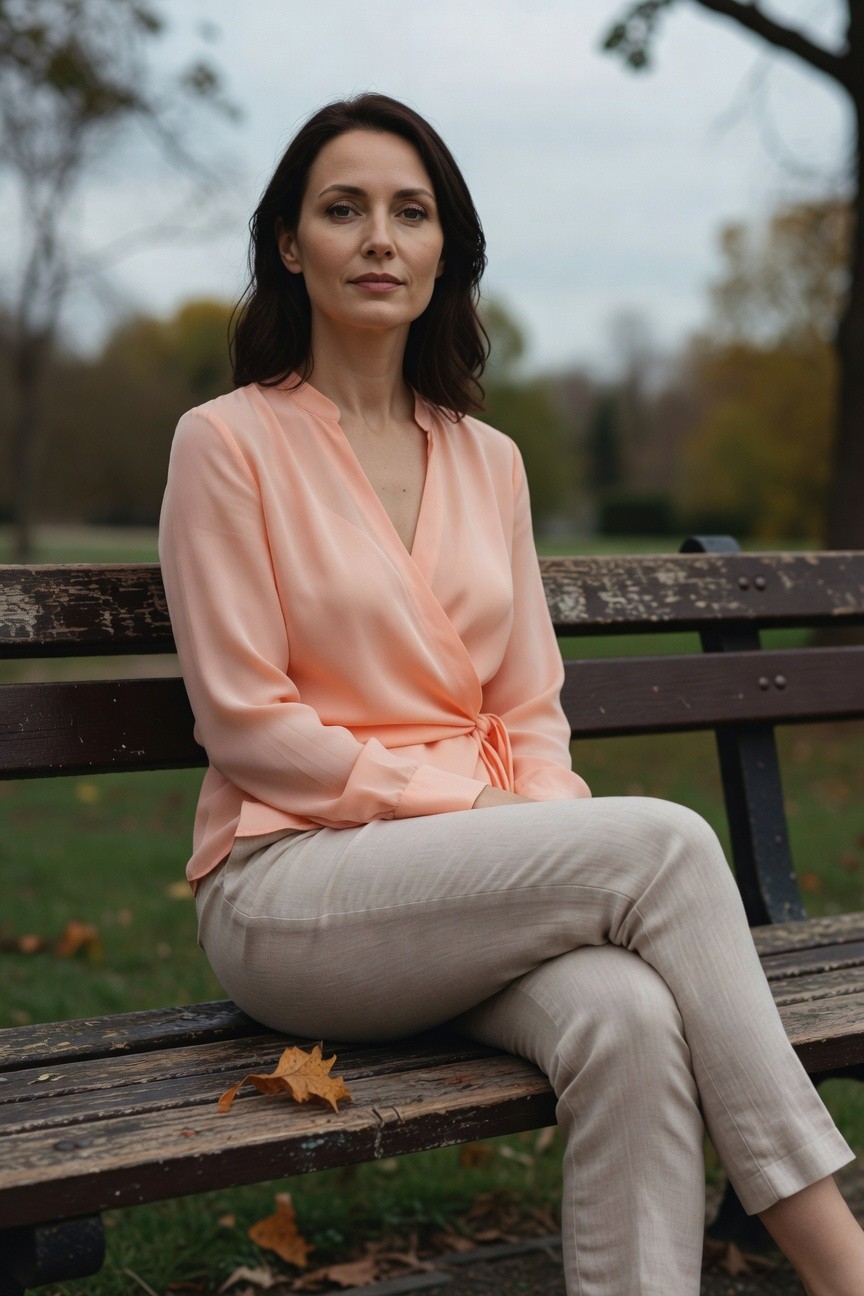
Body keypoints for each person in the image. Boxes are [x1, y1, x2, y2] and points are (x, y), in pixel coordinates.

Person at [158, 93, 864, 1296]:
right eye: (344, 209)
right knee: (668, 843)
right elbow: (245, 724)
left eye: (410, 212)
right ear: (290, 242)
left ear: (445, 250)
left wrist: (523, 823)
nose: (380, 237)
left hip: (472, 883)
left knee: (631, 1018)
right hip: (292, 884)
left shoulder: (490, 460)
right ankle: (841, 1261)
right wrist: (474, 815)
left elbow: (533, 708)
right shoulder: (226, 445)